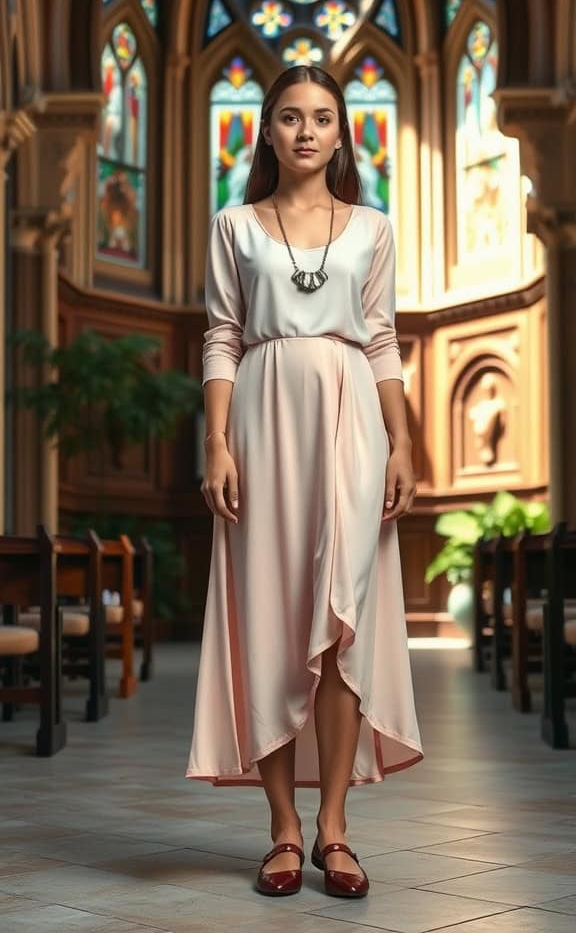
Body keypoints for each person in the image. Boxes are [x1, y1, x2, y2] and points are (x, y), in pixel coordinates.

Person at [186, 65, 423, 899]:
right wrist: (216, 441)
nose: (307, 131)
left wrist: (401, 441)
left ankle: (335, 829)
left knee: (341, 619)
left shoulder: (373, 227)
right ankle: (282, 829)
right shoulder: (235, 225)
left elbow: (383, 340)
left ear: (342, 130)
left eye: (323, 117)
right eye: (290, 117)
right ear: (267, 131)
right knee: (273, 624)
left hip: (353, 423)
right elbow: (221, 335)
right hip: (259, 424)